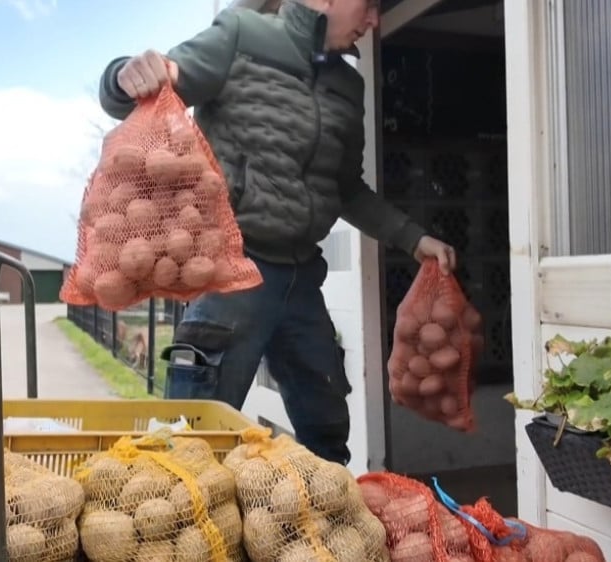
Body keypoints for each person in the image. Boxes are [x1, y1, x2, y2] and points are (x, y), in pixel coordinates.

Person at [97, 0, 456, 465]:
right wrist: (122, 74)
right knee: (190, 437)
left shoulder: (348, 86)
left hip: (302, 281)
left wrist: (413, 237)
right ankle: (180, 524)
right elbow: (145, 86)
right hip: (233, 272)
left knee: (327, 433)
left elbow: (346, 187)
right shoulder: (241, 34)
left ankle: (320, 526)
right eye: (368, 6)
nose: (374, 21)